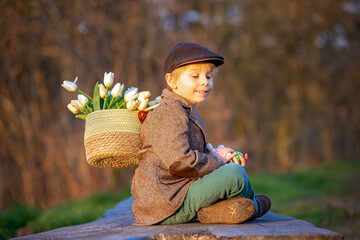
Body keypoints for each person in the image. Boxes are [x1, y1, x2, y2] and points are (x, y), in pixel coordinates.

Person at [131, 42, 271, 225]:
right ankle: (252, 207)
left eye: (209, 76)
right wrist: (219, 162)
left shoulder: (184, 109)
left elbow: (187, 155)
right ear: (171, 81)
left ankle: (220, 211)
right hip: (166, 203)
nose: (205, 81)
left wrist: (217, 154)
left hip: (177, 194)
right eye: (195, 76)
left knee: (232, 170)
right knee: (235, 174)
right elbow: (181, 163)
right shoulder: (168, 112)